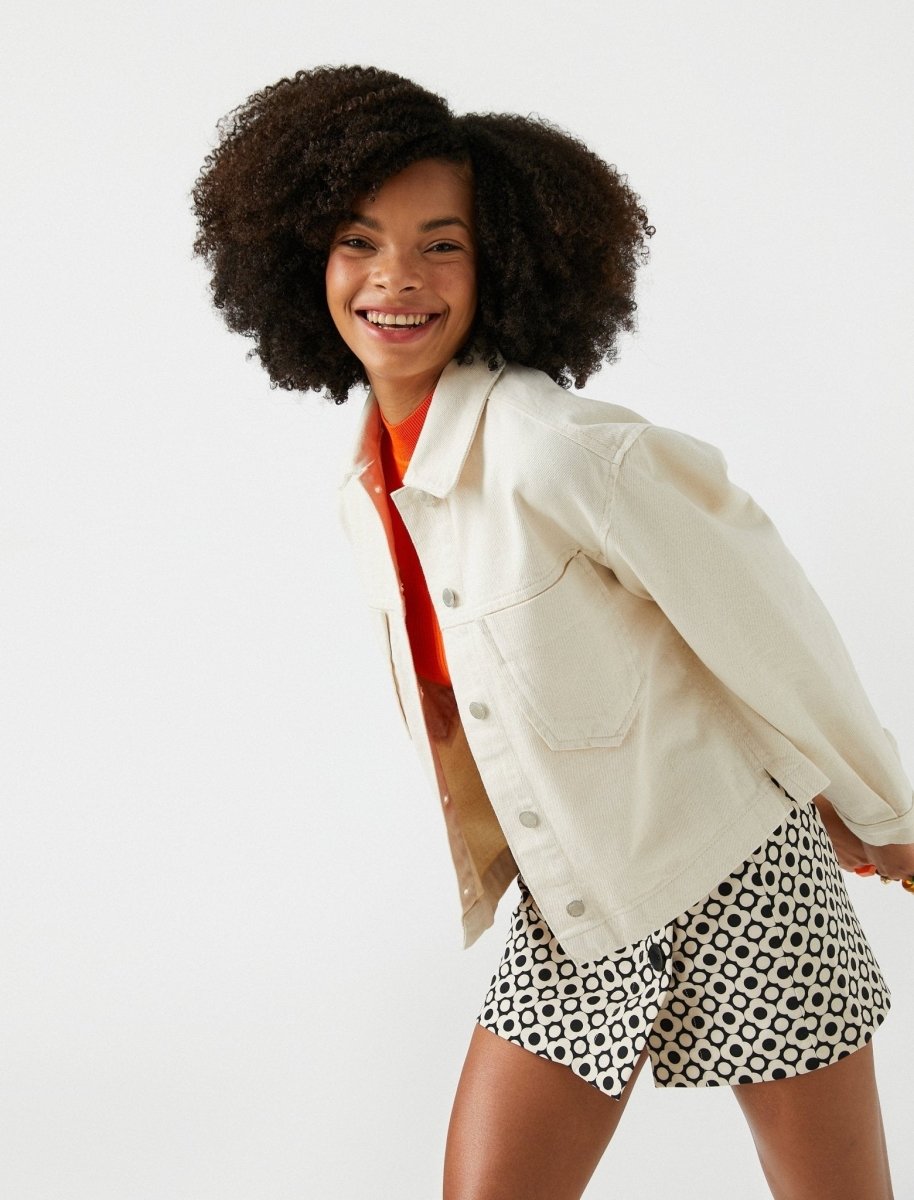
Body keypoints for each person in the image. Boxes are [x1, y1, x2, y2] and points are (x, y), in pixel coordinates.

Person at [192, 64, 914, 1200]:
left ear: (502, 264)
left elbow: (770, 626)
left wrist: (885, 812)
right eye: (356, 241)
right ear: (301, 261)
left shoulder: (564, 450)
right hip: (579, 897)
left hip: (742, 869)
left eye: (441, 245)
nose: (395, 278)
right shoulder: (368, 483)